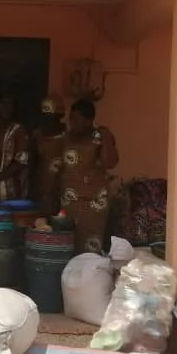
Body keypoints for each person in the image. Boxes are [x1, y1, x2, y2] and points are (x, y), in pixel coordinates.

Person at [60, 99, 119, 254]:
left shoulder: (99, 137)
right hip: (69, 202)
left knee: (89, 248)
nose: (71, 122)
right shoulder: (67, 138)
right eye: (70, 118)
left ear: (88, 120)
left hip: (93, 204)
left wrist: (105, 138)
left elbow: (110, 162)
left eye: (76, 119)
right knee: (67, 246)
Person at [31, 93, 67, 217]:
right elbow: (31, 165)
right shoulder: (37, 136)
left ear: (59, 117)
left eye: (51, 117)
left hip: (62, 193)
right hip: (41, 192)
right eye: (44, 117)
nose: (47, 121)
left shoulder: (68, 136)